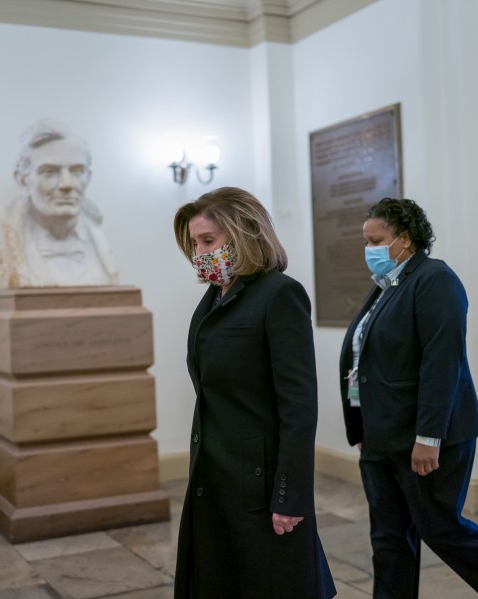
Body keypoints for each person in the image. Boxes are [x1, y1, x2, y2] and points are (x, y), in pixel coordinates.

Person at [339, 197, 478, 598]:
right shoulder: (386, 287)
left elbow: (442, 360)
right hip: (383, 437)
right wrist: (363, 425)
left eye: (376, 240)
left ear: (405, 239)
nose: (369, 250)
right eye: (365, 242)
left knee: (442, 529)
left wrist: (428, 436)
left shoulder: (434, 279)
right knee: (388, 538)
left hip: (425, 436)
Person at [172, 187, 335, 599]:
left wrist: (290, 494)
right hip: (214, 473)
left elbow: (299, 406)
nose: (199, 252)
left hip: (258, 484)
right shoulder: (213, 298)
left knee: (271, 584)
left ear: (242, 233)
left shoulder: (279, 294)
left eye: (208, 241)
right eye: (195, 243)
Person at [0, 119, 118, 287]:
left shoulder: (97, 238)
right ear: (22, 181)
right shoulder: (13, 238)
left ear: (88, 177)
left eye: (77, 171)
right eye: (50, 172)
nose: (67, 184)